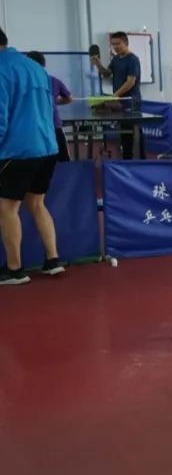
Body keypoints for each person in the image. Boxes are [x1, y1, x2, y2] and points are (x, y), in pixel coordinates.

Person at [0, 27, 65, 284]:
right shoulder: (36, 68)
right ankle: (53, 260)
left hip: (18, 150)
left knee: (7, 208)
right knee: (36, 203)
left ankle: (14, 270)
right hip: (47, 147)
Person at [90, 31, 142, 158]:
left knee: (132, 133)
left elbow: (130, 82)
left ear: (126, 43)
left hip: (131, 101)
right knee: (124, 133)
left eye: (118, 44)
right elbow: (107, 74)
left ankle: (137, 160)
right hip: (120, 102)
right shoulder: (116, 59)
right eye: (113, 44)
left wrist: (115, 95)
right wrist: (98, 64)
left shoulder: (133, 59)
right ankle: (126, 159)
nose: (115, 47)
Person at [25, 51, 73, 162]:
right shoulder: (54, 80)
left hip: (34, 127)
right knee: (63, 161)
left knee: (36, 160)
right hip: (53, 125)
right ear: (44, 64)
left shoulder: (23, 82)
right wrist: (54, 102)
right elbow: (69, 98)